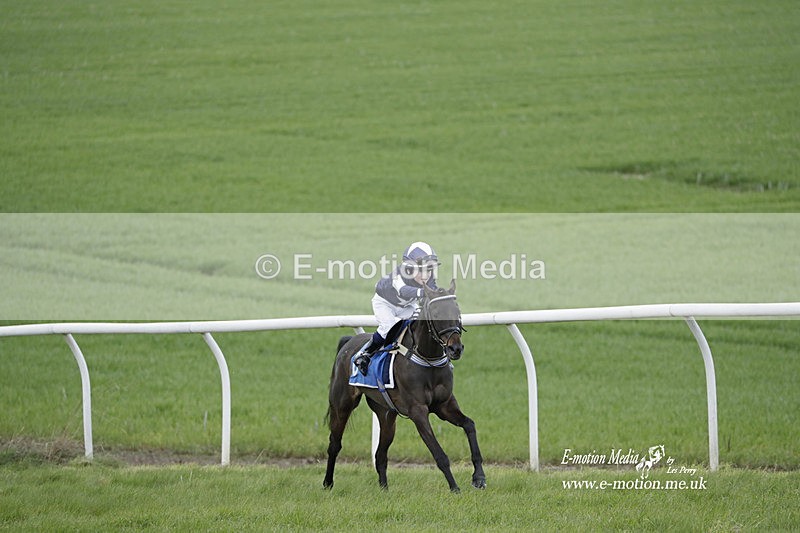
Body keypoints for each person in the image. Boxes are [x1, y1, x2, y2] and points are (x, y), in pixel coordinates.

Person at [353, 241, 440, 375]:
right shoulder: (399, 276)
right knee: (388, 329)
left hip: (406, 305)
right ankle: (364, 354)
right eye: (421, 270)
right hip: (384, 303)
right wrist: (424, 293)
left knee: (419, 325)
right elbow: (404, 291)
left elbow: (432, 292)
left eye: (429, 270)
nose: (426, 275)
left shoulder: (429, 277)